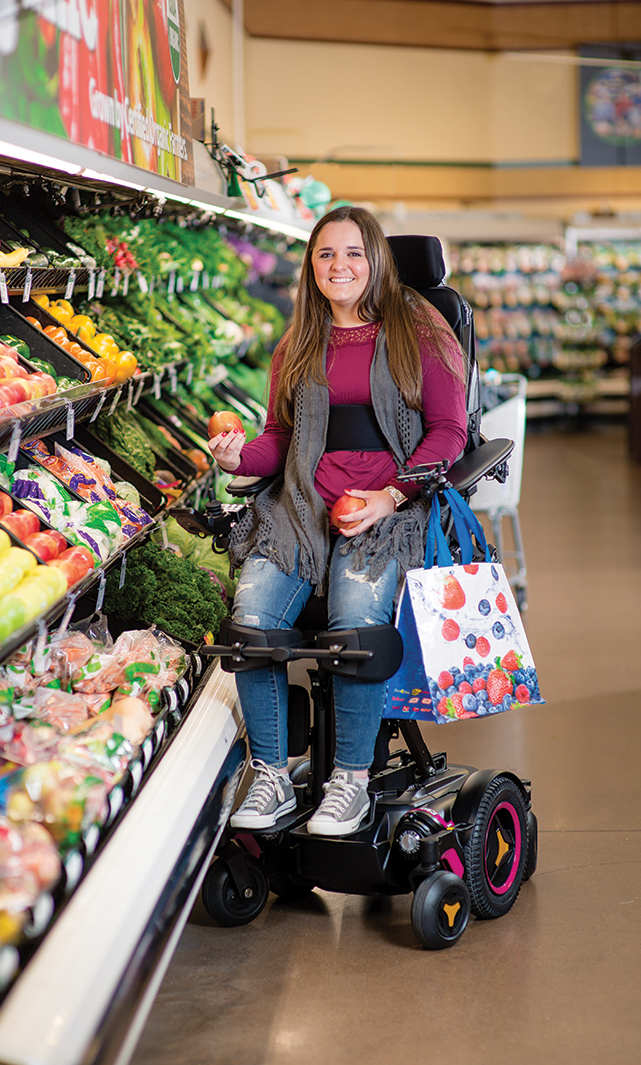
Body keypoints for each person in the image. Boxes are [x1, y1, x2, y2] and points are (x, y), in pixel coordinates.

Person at [208, 205, 468, 837]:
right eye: (326, 254)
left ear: (375, 259)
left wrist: (392, 495)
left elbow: (449, 432)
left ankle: (348, 782)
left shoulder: (419, 330)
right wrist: (238, 457)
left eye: (353, 252)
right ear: (311, 268)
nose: (339, 265)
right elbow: (280, 437)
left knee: (355, 626)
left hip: (384, 511)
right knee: (250, 623)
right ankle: (271, 775)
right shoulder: (297, 342)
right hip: (300, 506)